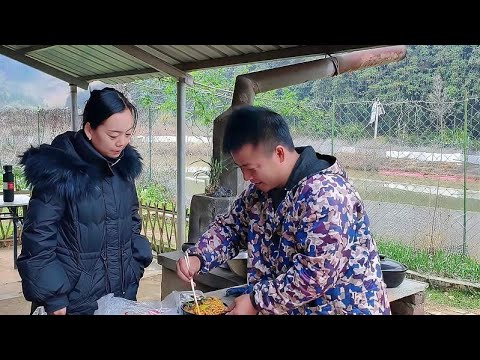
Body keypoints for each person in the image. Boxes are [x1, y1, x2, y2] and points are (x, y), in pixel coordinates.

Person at [176, 105, 390, 315]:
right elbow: (232, 228)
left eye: (251, 168)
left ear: (279, 153)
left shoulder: (326, 195)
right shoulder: (260, 193)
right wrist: (199, 257)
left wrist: (256, 301)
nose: (246, 177)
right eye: (241, 169)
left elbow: (315, 275)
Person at [17, 87, 153, 315]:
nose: (121, 143)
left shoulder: (123, 167)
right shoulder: (60, 170)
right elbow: (38, 238)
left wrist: (134, 267)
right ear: (89, 129)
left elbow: (132, 222)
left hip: (121, 295)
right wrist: (54, 297)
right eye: (113, 135)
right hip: (72, 302)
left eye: (128, 134)